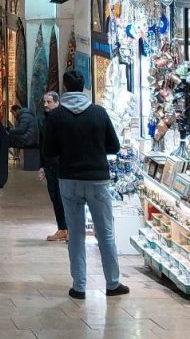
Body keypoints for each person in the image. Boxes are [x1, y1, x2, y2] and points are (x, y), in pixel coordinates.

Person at [42, 68, 128, 300]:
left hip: (69, 179)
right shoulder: (98, 113)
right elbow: (114, 146)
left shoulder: (57, 116)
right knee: (105, 233)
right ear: (84, 87)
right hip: (98, 179)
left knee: (76, 234)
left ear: (65, 88)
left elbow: (48, 150)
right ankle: (112, 283)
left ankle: (79, 285)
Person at [40, 89, 68, 242]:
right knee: (55, 197)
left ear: (57, 103)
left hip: (61, 164)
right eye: (44, 102)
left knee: (63, 197)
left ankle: (68, 228)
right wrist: (42, 166)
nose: (46, 105)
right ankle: (62, 228)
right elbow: (42, 144)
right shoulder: (44, 120)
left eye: (49, 102)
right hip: (50, 165)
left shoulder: (63, 120)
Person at [9, 98, 41, 171]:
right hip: (28, 137)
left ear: (16, 111)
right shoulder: (25, 115)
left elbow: (21, 130)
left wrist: (9, 131)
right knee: (9, 138)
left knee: (8, 138)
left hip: (29, 139)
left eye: (12, 113)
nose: (13, 115)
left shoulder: (25, 116)